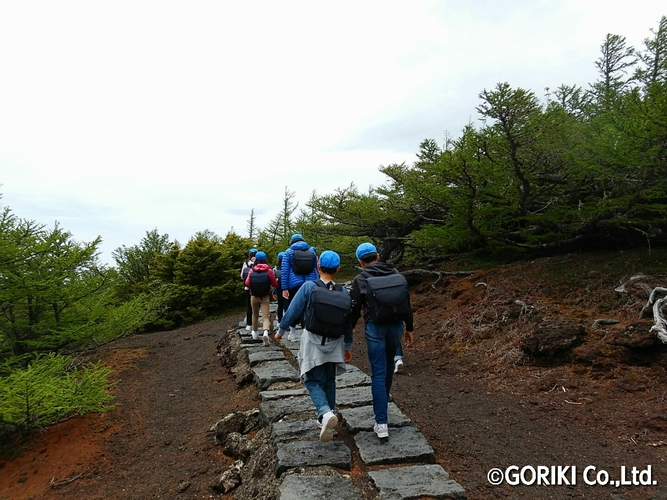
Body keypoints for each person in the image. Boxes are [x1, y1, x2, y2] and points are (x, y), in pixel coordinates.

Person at [275, 250, 353, 441]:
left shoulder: (309, 286)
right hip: (335, 342)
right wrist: (347, 345)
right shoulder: (343, 292)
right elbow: (347, 322)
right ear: (338, 269)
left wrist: (281, 331)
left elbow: (293, 310)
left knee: (311, 380)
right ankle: (326, 416)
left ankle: (325, 413)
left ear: (318, 267)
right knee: (329, 380)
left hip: (313, 340)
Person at [350, 242, 414, 440]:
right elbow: (406, 301)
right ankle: (382, 406)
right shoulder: (394, 272)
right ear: (377, 256)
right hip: (396, 326)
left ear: (360, 261)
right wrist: (409, 328)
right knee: (387, 368)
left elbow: (354, 307)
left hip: (375, 327)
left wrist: (350, 328)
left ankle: (381, 423)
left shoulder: (361, 279)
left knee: (378, 372)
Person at [281, 233, 318, 341]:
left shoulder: (288, 252)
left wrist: (284, 288)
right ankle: (305, 332)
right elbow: (316, 269)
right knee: (308, 308)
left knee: (293, 308)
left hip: (294, 285)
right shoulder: (311, 252)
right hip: (310, 284)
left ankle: (292, 334)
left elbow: (285, 271)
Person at [245, 251, 279, 346]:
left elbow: (247, 283)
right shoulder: (269, 271)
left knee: (255, 315)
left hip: (254, 296)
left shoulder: (252, 270)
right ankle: (265, 332)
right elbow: (275, 284)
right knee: (265, 316)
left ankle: (255, 332)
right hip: (265, 296)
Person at [240, 248, 257, 331]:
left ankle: (249, 324)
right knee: (258, 305)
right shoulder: (259, 263)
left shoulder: (245, 263)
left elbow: (241, 276)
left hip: (247, 288)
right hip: (257, 287)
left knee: (249, 305)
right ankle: (257, 324)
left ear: (249, 255)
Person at [272, 252, 286, 324]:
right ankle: (287, 322)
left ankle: (279, 322)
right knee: (287, 305)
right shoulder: (288, 268)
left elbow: (273, 281)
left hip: (278, 289)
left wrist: (273, 292)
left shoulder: (275, 269)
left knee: (280, 305)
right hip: (287, 289)